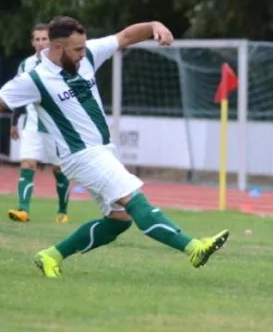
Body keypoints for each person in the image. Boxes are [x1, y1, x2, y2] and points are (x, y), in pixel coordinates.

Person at [0, 16, 229, 278]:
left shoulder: (86, 55)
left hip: (103, 150)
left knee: (118, 221)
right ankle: (193, 248)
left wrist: (154, 26)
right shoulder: (35, 79)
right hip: (81, 155)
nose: (82, 54)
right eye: (77, 50)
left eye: (84, 48)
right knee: (133, 197)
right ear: (58, 48)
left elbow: (125, 37)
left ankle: (51, 255)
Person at [8, 23, 71, 224]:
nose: (40, 43)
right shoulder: (26, 65)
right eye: (37, 39)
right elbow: (19, 94)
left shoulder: (63, 63)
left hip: (56, 126)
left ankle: (62, 211)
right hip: (31, 123)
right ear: (32, 42)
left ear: (51, 41)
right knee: (27, 163)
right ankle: (23, 210)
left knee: (59, 169)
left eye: (44, 39)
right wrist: (14, 122)